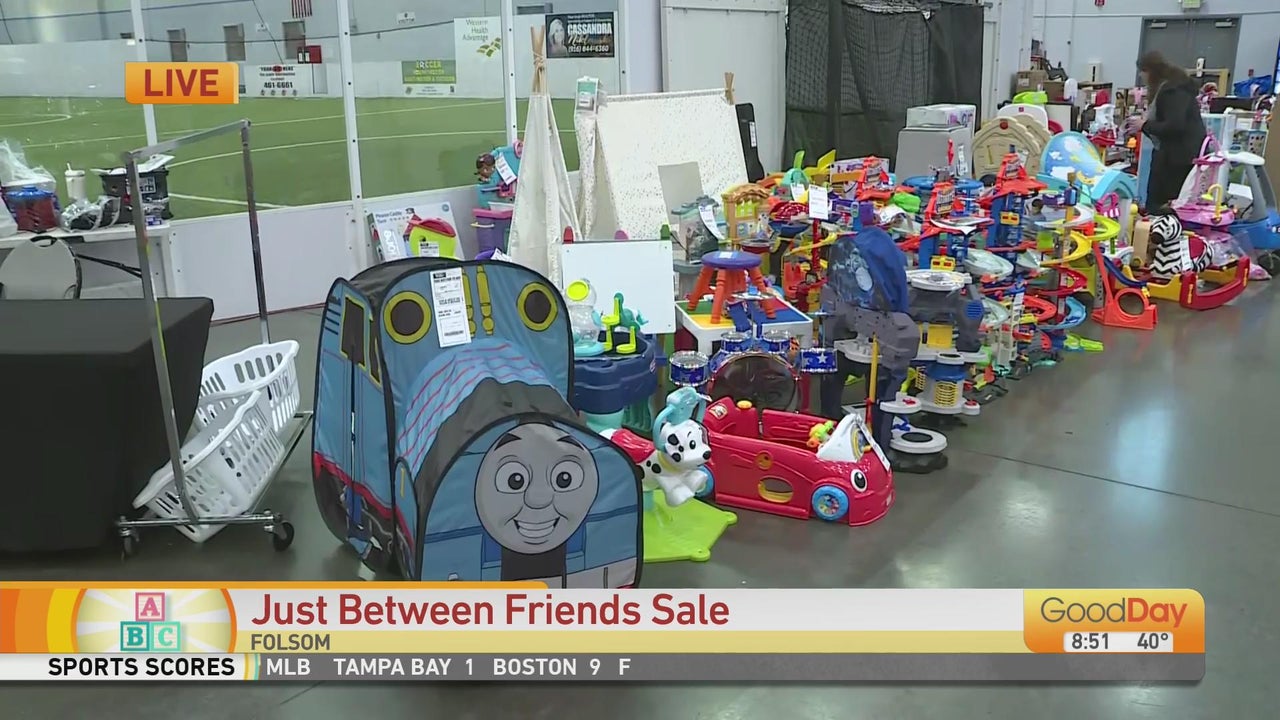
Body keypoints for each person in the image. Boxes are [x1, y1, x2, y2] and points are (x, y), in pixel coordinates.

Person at [1136, 51, 1207, 212]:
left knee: (1160, 206)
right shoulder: (1177, 88)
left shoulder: (1171, 91)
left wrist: (1145, 125)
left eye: (1142, 71)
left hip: (1175, 160)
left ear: (1150, 71)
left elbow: (1174, 125)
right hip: (1181, 157)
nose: (1141, 76)